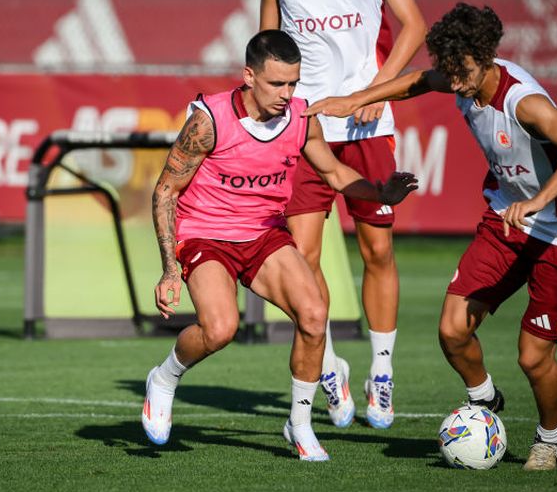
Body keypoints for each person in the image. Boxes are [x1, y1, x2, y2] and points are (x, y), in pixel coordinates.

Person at [310, 3, 557, 470]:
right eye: (450, 69)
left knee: (533, 357)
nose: (454, 80)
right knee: (451, 329)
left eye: (461, 69)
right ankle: (484, 401)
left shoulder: (522, 101)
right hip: (506, 217)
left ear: (484, 56)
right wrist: (358, 99)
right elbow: (419, 82)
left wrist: (539, 199)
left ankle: (550, 439)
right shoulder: (459, 78)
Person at [142, 30, 417, 460]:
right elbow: (164, 191)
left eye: (293, 83)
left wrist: (380, 193)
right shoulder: (208, 119)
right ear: (249, 76)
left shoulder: (302, 118)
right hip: (207, 235)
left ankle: (300, 424)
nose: (286, 94)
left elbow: (334, 174)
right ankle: (164, 378)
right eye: (276, 84)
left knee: (313, 313)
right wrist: (169, 269)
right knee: (220, 330)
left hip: (265, 233)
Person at [258, 0, 427, 430]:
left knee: (377, 251)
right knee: (302, 260)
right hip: (306, 131)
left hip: (366, 128)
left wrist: (380, 89)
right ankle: (330, 366)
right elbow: (267, 46)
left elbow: (416, 26)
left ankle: (382, 372)